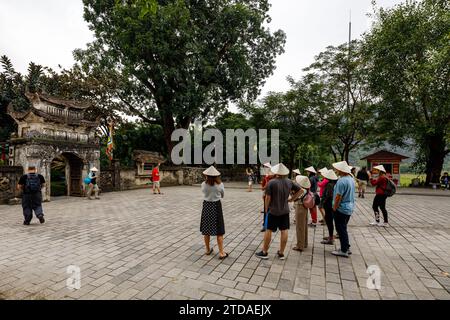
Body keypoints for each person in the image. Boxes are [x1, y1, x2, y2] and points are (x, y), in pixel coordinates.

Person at [256, 163, 300, 260]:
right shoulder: (289, 182)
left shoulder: (271, 182)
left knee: (269, 230)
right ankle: (281, 253)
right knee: (284, 230)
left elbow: (268, 198)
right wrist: (292, 199)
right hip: (285, 211)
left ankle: (264, 252)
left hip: (273, 210)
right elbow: (300, 190)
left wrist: (266, 209)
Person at [200, 166, 228, 260]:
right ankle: (221, 252)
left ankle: (208, 250)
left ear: (206, 175)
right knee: (219, 230)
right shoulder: (220, 185)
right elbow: (223, 195)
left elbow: (204, 193)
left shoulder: (203, 184)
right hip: (216, 206)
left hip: (207, 206)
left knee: (206, 229)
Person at [331, 161, 356, 258]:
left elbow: (338, 196)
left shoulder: (341, 181)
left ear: (341, 170)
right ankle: (346, 246)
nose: (335, 170)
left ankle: (344, 250)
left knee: (340, 229)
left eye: (337, 169)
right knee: (343, 228)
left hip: (341, 208)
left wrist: (334, 207)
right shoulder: (350, 179)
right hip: (349, 207)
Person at [291, 175, 311, 252]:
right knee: (304, 226)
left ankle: (300, 246)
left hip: (300, 207)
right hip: (304, 208)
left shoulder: (301, 190)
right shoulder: (306, 189)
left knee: (299, 226)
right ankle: (304, 243)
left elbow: (294, 198)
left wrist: (291, 198)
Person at [320, 170, 338, 245]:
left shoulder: (330, 185)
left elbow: (328, 195)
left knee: (329, 221)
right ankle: (330, 236)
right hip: (332, 205)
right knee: (330, 221)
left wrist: (323, 202)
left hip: (329, 205)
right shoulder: (335, 184)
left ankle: (330, 238)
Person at [260, 163, 274, 232]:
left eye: (266, 167)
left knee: (269, 210)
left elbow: (267, 185)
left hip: (272, 195)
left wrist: (265, 187)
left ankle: (268, 225)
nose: (265, 168)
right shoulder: (266, 176)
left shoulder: (273, 176)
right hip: (267, 195)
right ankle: (265, 225)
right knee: (266, 210)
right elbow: (263, 186)